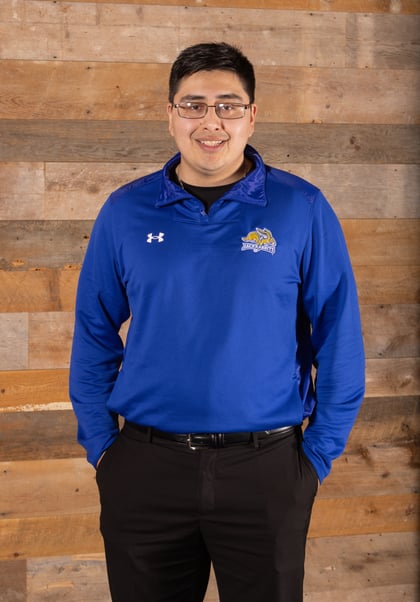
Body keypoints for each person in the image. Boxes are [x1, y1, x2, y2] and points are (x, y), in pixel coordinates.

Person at [69, 42, 365, 602]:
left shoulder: (300, 208)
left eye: (228, 105)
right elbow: (93, 333)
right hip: (145, 470)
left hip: (268, 471)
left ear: (252, 115)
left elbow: (339, 334)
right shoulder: (125, 212)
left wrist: (317, 456)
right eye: (193, 105)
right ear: (170, 114)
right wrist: (104, 449)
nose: (211, 121)